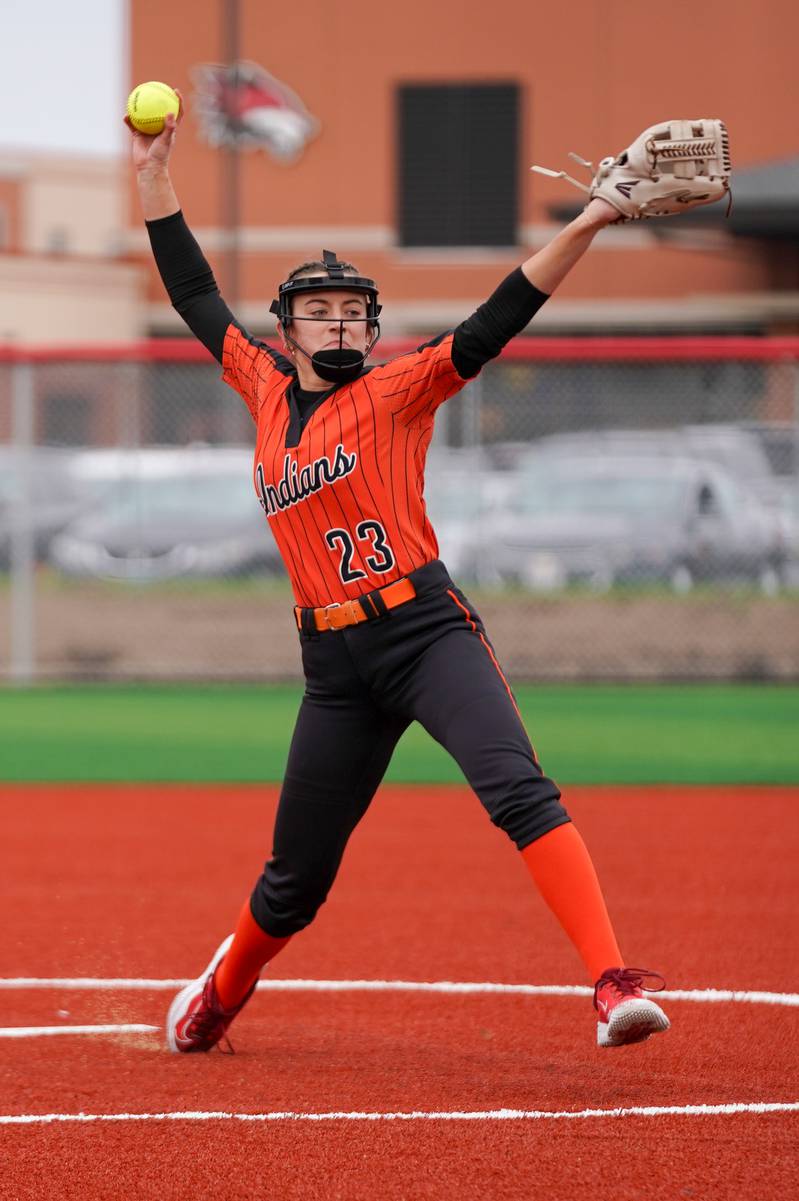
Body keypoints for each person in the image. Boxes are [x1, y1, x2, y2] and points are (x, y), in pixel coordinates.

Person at [127, 99, 670, 1055]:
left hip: (424, 631)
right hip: (332, 665)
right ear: (287, 328)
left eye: (350, 312)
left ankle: (609, 981)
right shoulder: (259, 386)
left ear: (371, 326)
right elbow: (190, 287)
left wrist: (587, 220)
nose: (335, 323)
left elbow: (495, 319)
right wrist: (153, 173)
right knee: (294, 881)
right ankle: (223, 985)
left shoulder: (398, 389)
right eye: (316, 311)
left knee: (519, 790)